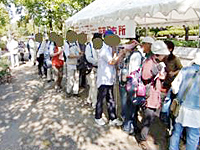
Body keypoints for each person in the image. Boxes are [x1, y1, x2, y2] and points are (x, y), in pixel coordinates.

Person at [138, 40, 170, 149]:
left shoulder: (157, 62)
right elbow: (145, 76)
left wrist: (162, 73)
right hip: (149, 95)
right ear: (157, 54)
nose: (164, 57)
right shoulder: (149, 62)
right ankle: (142, 139)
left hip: (155, 94)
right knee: (148, 117)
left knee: (150, 117)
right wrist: (156, 70)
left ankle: (143, 133)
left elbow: (161, 76)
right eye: (163, 55)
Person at [169, 52, 200, 150]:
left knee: (177, 131)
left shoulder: (185, 70)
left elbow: (174, 88)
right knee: (193, 136)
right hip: (197, 112)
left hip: (181, 107)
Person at [95, 30, 123, 126]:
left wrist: (115, 50)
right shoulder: (103, 49)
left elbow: (114, 59)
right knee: (101, 99)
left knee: (110, 99)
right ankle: (97, 117)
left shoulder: (110, 48)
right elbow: (111, 61)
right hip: (103, 79)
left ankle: (112, 118)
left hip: (110, 78)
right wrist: (121, 53)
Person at [85, 33, 101, 108]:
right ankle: (94, 103)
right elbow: (88, 58)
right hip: (91, 69)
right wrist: (97, 62)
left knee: (93, 86)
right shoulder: (89, 46)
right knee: (94, 86)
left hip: (98, 69)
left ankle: (89, 99)